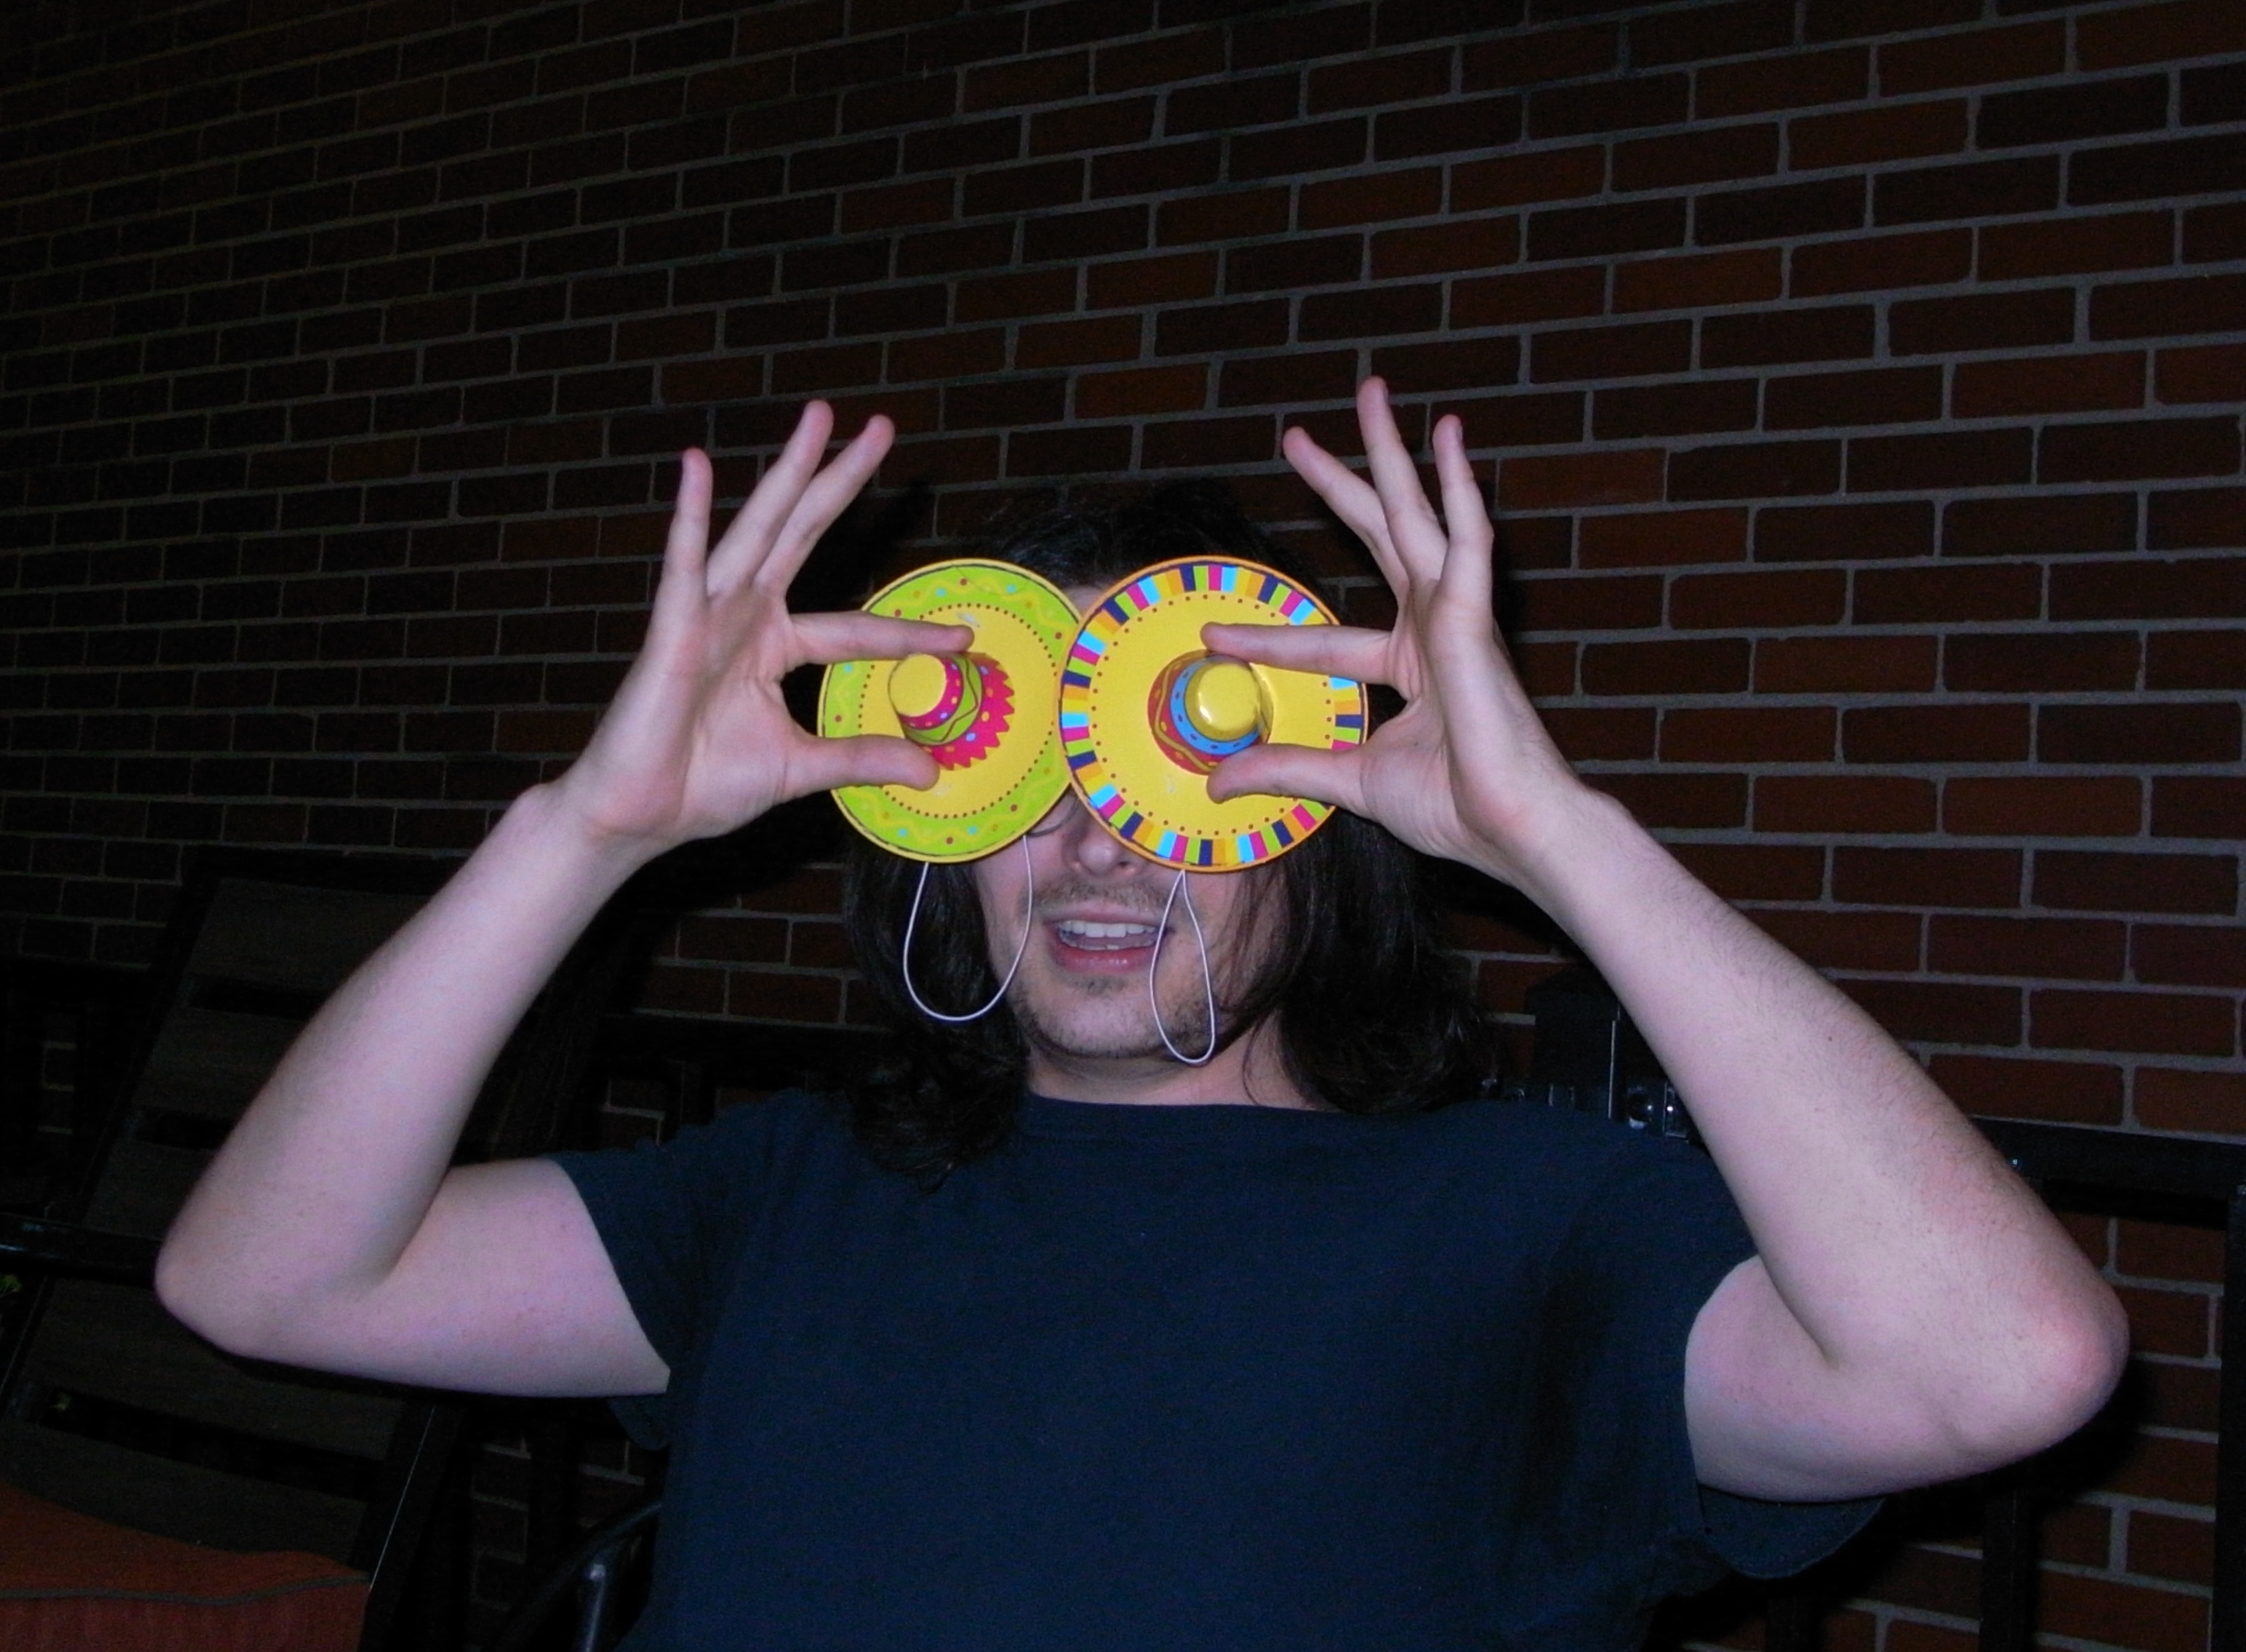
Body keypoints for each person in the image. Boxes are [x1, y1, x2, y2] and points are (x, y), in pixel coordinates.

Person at [156, 381, 2126, 1650]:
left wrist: (1563, 842)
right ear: (940, 835)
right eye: (1030, 778)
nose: (1098, 840)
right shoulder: (787, 1194)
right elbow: (262, 1283)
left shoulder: (1529, 1228)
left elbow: (2001, 1370)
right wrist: (580, 832)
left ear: (1322, 833)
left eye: (1180, 769)